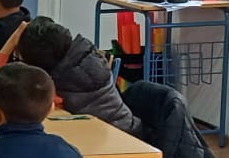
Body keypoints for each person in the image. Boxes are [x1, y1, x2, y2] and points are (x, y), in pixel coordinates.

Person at [12, 17, 140, 134]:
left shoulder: (55, 84)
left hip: (116, 148)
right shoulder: (89, 57)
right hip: (130, 131)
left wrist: (9, 45)